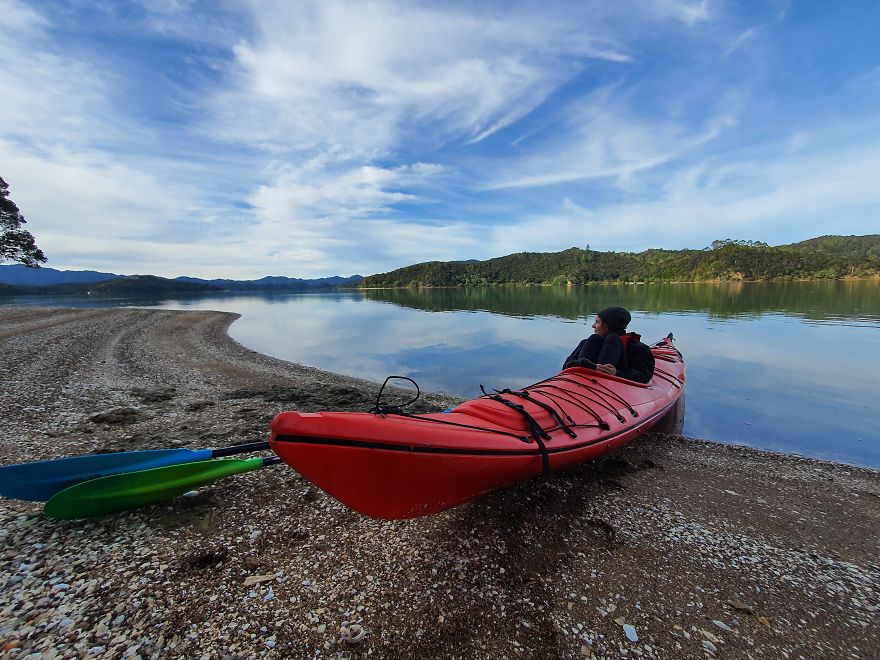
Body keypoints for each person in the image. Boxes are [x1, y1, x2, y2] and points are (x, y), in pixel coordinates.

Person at [563, 306, 655, 383]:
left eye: (597, 322)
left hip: (611, 386)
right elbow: (566, 365)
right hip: (579, 381)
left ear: (607, 326)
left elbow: (644, 376)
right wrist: (590, 366)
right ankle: (584, 369)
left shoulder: (638, 348)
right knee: (593, 338)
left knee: (612, 339)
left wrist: (617, 373)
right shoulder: (587, 343)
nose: (593, 326)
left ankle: (602, 373)